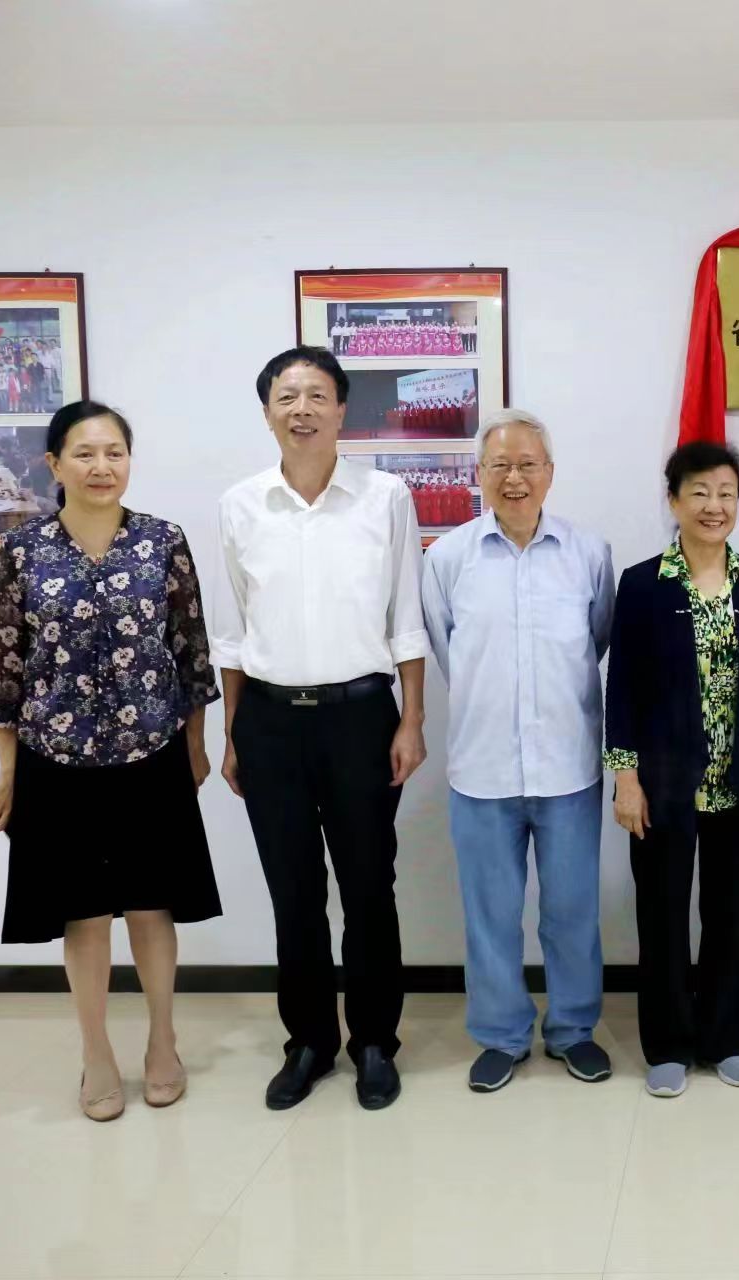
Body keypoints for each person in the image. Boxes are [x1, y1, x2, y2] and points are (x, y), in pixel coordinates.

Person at [0, 400, 221, 1121]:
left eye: (115, 452)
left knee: (151, 905)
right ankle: (96, 1053)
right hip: (56, 760)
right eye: (84, 453)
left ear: (129, 461)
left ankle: (163, 1042)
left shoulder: (161, 542)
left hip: (152, 752)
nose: (101, 466)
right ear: (54, 464)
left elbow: (191, 650)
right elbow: (1, 668)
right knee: (83, 916)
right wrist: (9, 770)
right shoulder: (21, 550)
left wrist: (196, 747)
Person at [212, 346, 428, 1113]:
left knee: (369, 886)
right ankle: (308, 1041)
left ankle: (373, 1042)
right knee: (293, 891)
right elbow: (233, 631)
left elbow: (406, 616)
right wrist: (233, 732)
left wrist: (412, 718)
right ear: (267, 411)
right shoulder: (241, 504)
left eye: (315, 395)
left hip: (361, 717)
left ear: (341, 409)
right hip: (269, 721)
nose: (300, 409)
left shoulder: (385, 496)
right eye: (286, 396)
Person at [422, 409, 616, 1093]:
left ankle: (573, 1030)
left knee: (572, 912)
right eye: (500, 465)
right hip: (482, 770)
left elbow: (597, 642)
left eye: (528, 464)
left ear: (550, 474)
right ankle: (501, 1035)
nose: (514, 478)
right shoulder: (447, 559)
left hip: (569, 768)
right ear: (478, 474)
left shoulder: (589, 554)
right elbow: (446, 650)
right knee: (491, 917)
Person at [603, 441, 739, 1097]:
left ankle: (724, 1041)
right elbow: (622, 689)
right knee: (661, 918)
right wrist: (625, 778)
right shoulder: (642, 585)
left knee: (729, 917)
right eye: (701, 493)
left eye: (727, 493)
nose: (715, 506)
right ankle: (667, 1046)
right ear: (674, 500)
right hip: (663, 784)